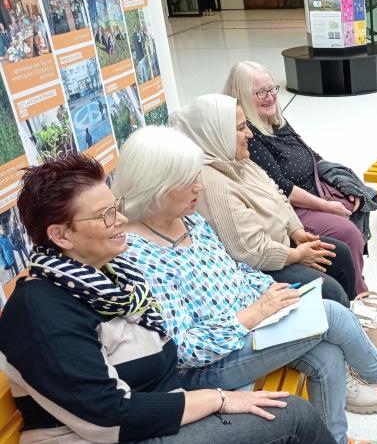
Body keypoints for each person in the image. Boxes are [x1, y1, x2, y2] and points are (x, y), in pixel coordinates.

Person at [112, 126, 377, 443]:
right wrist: (253, 314)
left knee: (327, 354)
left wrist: (271, 294)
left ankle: (335, 439)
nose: (199, 187)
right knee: (332, 315)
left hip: (252, 328)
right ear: (156, 186)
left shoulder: (189, 221)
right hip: (212, 365)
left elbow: (235, 270)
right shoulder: (138, 257)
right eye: (188, 181)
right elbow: (184, 349)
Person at [0, 154, 337, 443]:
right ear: (60, 235)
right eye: (105, 215)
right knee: (292, 416)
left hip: (160, 413)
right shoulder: (40, 312)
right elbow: (111, 417)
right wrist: (218, 399)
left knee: (306, 370)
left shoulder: (111, 277)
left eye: (116, 208)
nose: (121, 220)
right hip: (121, 434)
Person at [169, 94, 357, 305]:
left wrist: (296, 231)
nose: (249, 134)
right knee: (330, 292)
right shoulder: (211, 183)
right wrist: (297, 255)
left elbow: (277, 193)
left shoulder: (237, 159)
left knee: (340, 254)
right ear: (216, 134)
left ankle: (352, 316)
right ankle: (341, 320)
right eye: (241, 128)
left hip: (282, 246)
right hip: (261, 267)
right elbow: (250, 252)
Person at [223, 61, 376, 295]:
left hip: (312, 190)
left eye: (272, 88)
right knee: (348, 232)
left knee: (356, 204)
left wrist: (342, 183)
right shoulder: (250, 136)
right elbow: (282, 188)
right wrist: (327, 206)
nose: (270, 97)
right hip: (294, 207)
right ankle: (359, 294)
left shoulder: (275, 120)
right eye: (261, 92)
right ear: (242, 95)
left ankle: (353, 276)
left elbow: (310, 154)